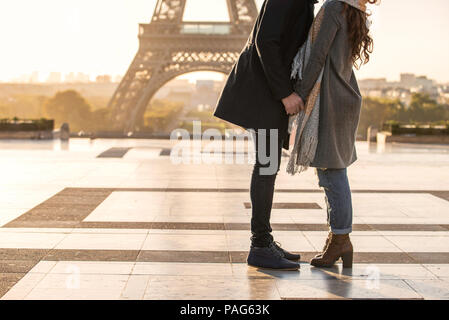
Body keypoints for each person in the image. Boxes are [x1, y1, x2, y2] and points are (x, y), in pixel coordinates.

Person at [214, 0, 317, 270]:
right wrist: (284, 93)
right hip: (266, 93)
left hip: (266, 91)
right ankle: (260, 244)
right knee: (267, 165)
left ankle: (263, 240)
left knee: (268, 165)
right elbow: (266, 40)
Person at [288, 0, 378, 268]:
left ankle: (340, 239)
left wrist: (300, 95)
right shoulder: (354, 10)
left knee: (332, 173)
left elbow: (317, 55)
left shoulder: (333, 8)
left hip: (329, 100)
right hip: (345, 98)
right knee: (332, 172)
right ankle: (337, 237)